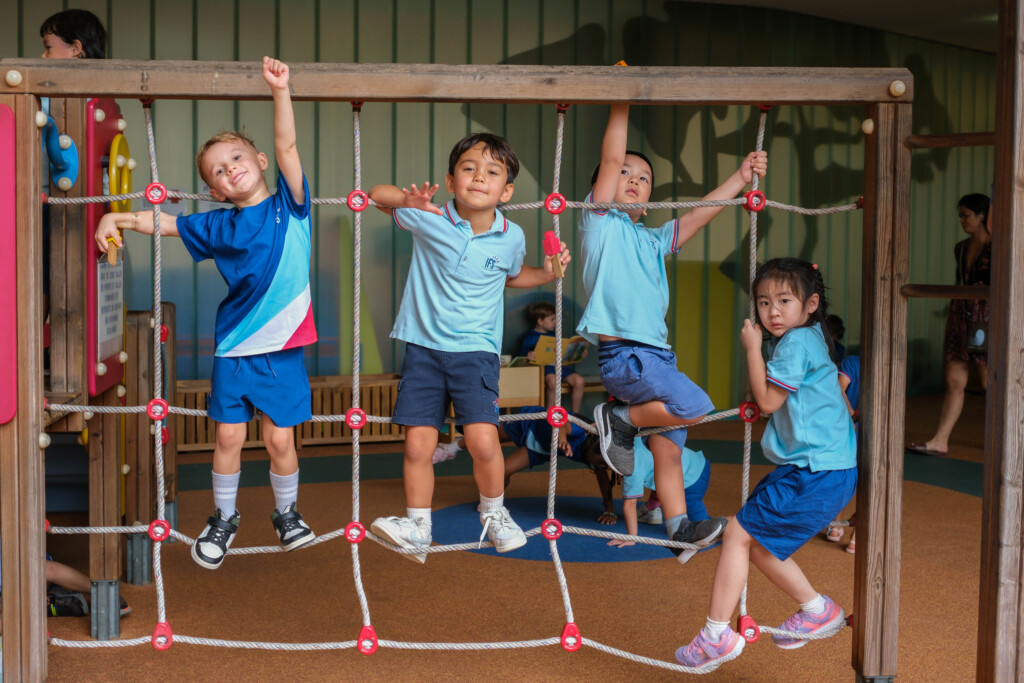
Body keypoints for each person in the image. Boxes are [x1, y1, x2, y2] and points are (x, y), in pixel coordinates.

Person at [95, 58, 318, 570]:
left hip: (282, 348)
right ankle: (223, 517)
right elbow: (167, 224)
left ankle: (287, 514)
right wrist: (119, 216)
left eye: (237, 157)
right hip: (235, 346)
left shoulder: (292, 204)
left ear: (260, 161)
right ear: (215, 191)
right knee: (228, 436)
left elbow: (287, 145)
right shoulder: (218, 225)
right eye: (218, 170)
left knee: (280, 437)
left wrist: (280, 90)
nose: (230, 168)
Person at [366, 133, 571, 563]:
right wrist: (409, 200)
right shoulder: (430, 217)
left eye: (492, 172)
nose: (480, 177)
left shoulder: (511, 235)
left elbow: (513, 276)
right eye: (469, 168)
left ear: (506, 190)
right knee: (418, 445)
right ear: (451, 178)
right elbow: (374, 196)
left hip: (476, 352)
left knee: (481, 440)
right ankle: (419, 528)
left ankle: (494, 514)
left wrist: (551, 273)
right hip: (423, 349)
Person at [579, 101, 766, 556]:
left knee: (669, 448)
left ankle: (679, 525)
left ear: (649, 203)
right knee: (696, 404)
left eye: (644, 180)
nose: (635, 181)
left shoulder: (652, 239)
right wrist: (620, 102)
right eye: (626, 173)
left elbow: (699, 215)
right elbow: (609, 158)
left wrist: (740, 180)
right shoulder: (598, 223)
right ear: (603, 187)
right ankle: (616, 420)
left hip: (656, 358)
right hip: (627, 355)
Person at [675, 258, 857, 671]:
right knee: (754, 544)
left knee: (738, 532)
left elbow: (769, 402)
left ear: (810, 304)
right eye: (762, 302)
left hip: (816, 470)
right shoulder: (811, 337)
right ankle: (814, 609)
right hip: (824, 468)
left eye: (784, 300)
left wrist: (752, 349)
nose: (772, 311)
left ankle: (716, 635)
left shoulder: (793, 344)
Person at [908, 193, 991, 456]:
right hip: (961, 314)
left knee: (992, 382)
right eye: (960, 216)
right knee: (954, 380)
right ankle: (940, 440)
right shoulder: (960, 248)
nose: (962, 221)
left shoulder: (1001, 246)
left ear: (981, 217)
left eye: (966, 215)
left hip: (989, 317)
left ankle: (1006, 441)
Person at [39, 9, 107, 323]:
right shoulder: (102, 100)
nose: (42, 55)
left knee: (47, 274)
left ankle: (39, 335)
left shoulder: (71, 99)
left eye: (48, 46)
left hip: (65, 200)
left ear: (76, 49)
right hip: (65, 198)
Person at [433, 407, 617, 523]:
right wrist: (562, 439)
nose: (602, 467)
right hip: (531, 424)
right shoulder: (583, 432)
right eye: (602, 462)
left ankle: (492, 504)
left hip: (540, 449)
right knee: (488, 437)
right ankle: (451, 448)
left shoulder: (596, 461)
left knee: (501, 471)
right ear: (595, 447)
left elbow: (603, 479)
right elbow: (562, 425)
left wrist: (609, 510)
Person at [607, 438, 715, 565]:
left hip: (693, 474)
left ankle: (720, 529)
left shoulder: (632, 468)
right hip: (687, 463)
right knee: (660, 479)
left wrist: (631, 537)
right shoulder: (634, 439)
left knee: (697, 516)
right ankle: (651, 510)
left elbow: (630, 504)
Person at [519, 301, 586, 413]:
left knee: (579, 381)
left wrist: (578, 353)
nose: (555, 323)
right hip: (544, 369)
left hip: (560, 366)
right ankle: (550, 414)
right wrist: (528, 357)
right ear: (540, 321)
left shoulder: (554, 335)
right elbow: (521, 358)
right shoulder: (529, 337)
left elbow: (563, 354)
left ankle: (576, 415)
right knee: (553, 382)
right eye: (552, 319)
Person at [826, 352, 860, 553]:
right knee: (867, 481)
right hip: (865, 431)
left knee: (845, 475)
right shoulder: (891, 366)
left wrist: (849, 413)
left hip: (849, 430)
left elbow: (838, 389)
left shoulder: (852, 362)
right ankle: (853, 535)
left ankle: (838, 525)